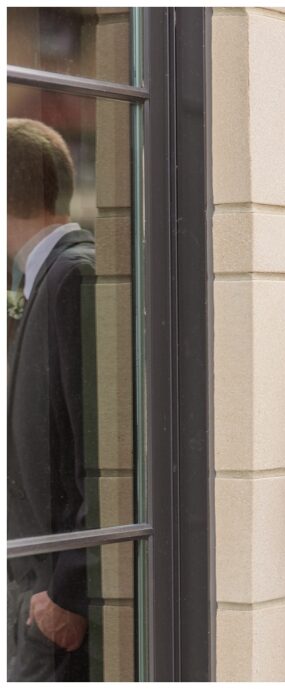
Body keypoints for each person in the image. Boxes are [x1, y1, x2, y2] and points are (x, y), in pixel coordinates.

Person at [7, 118, 94, 681]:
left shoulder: (74, 277)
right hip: (31, 599)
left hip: (60, 616)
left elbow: (105, 452)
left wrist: (68, 595)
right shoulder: (42, 277)